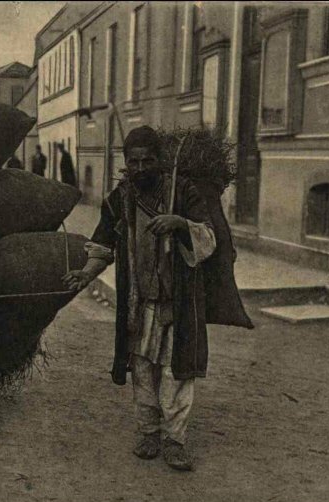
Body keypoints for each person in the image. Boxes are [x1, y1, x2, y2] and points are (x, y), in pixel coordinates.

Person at [62, 125, 216, 471]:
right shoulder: (120, 199)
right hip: (140, 302)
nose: (142, 168)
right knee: (144, 371)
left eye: (148, 160)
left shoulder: (183, 191)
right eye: (134, 162)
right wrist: (87, 273)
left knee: (178, 373)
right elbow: (102, 245)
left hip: (177, 302)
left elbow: (209, 238)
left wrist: (179, 223)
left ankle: (175, 440)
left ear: (160, 161)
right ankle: (148, 432)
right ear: (126, 164)